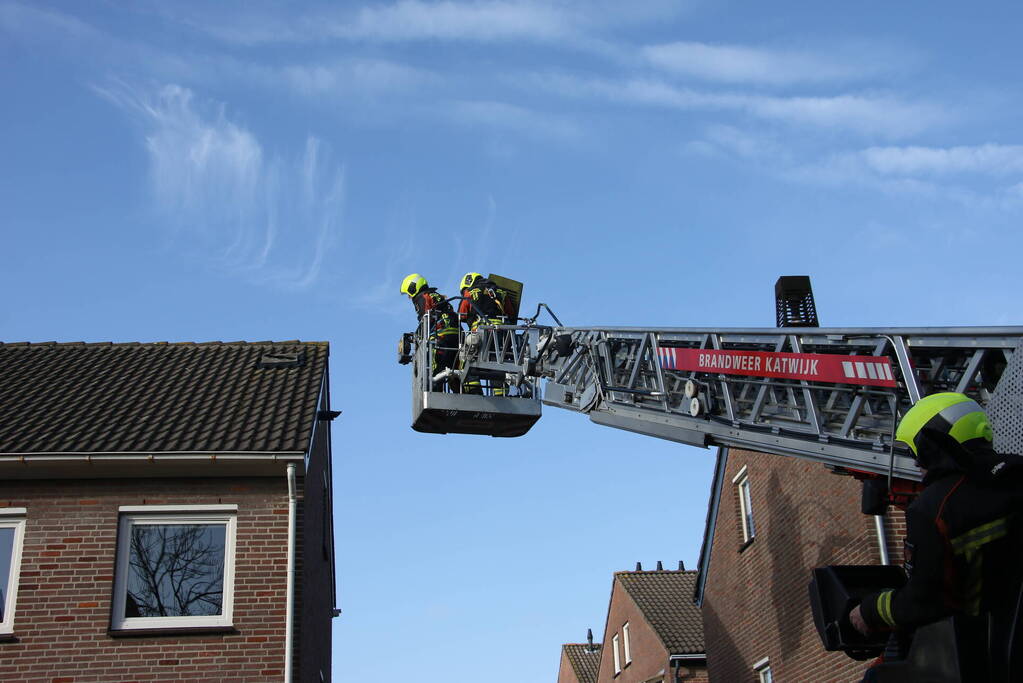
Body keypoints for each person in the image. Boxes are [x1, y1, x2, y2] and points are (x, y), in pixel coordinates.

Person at [848, 392, 1023, 682]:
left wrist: (868, 611)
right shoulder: (1016, 472)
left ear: (931, 445)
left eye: (915, 452)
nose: (917, 464)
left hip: (984, 659)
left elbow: (925, 602)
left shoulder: (935, 508)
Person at [400, 273, 460, 392]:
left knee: (433, 367)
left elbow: (426, 319)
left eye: (408, 293)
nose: (409, 297)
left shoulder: (422, 297)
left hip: (440, 335)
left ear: (413, 288)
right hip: (456, 335)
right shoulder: (437, 295)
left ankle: (433, 393)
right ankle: (464, 397)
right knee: (453, 369)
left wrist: (418, 337)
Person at [456, 272, 509, 395]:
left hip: (480, 334)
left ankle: (474, 392)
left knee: (467, 359)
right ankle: (501, 394)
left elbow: (461, 314)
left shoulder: (470, 292)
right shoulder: (501, 292)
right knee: (497, 362)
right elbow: (510, 313)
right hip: (502, 334)